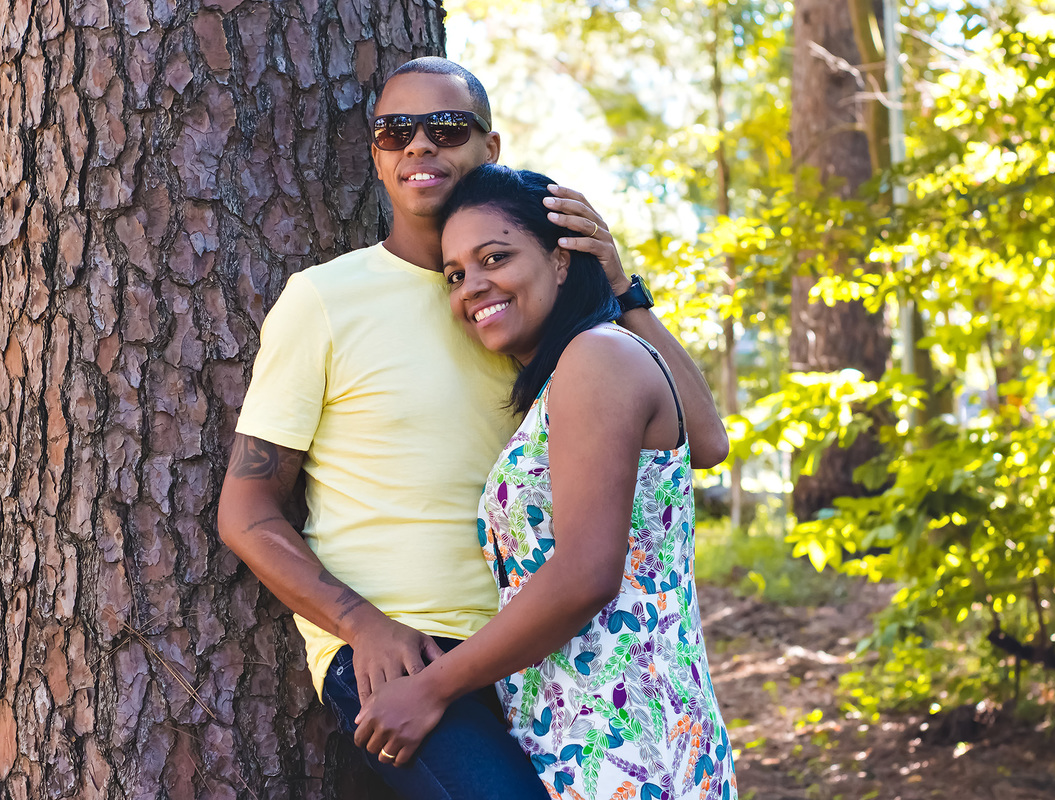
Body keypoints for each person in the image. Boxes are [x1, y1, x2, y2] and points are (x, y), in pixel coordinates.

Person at [216, 57, 728, 799]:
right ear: (377, 158)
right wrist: (362, 625)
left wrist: (620, 285)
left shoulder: (532, 326)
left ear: (490, 149)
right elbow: (247, 510)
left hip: (545, 663)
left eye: (445, 127)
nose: (419, 146)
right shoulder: (324, 300)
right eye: (396, 132)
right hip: (405, 655)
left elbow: (701, 441)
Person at [351, 164, 738, 800]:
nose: (473, 286)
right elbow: (710, 441)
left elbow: (586, 572)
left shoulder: (597, 357)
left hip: (626, 749)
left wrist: (430, 687)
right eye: (455, 275)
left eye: (495, 257)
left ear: (562, 262)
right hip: (585, 738)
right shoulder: (580, 369)